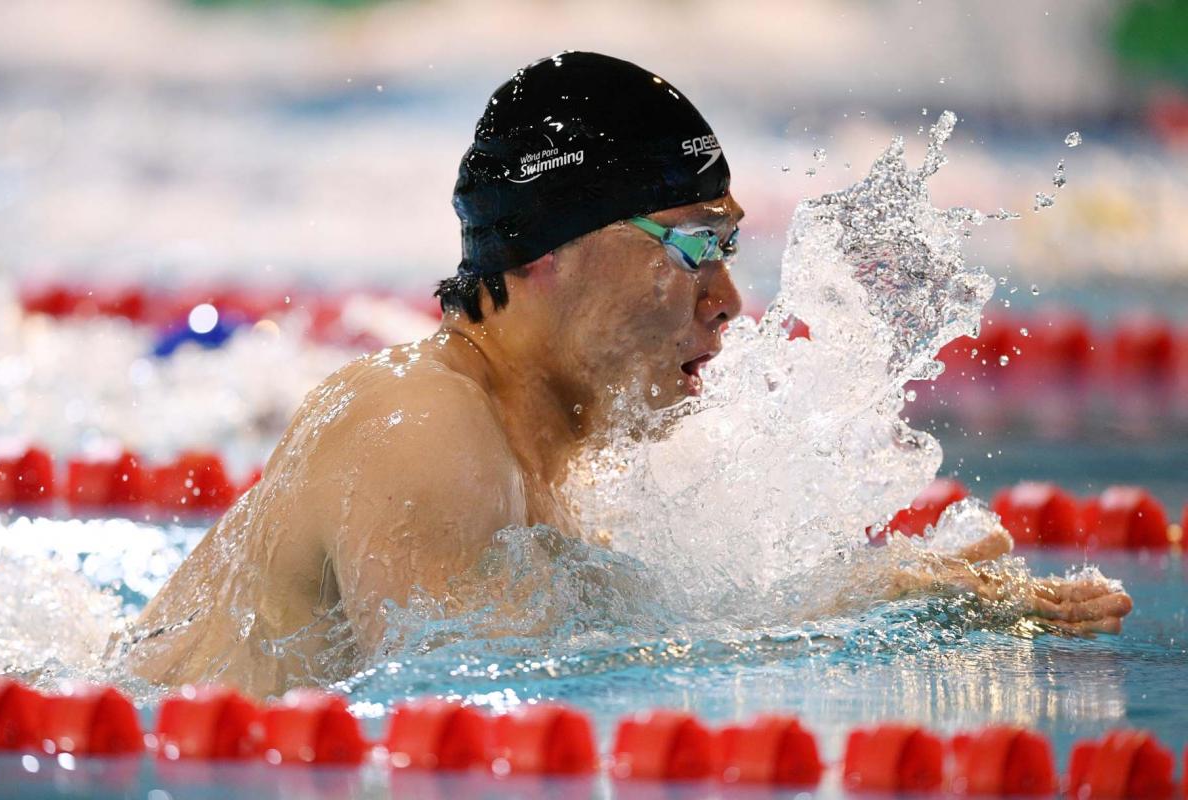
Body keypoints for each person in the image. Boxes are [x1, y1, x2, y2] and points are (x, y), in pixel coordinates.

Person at [120, 52, 1131, 696]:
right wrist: (838, 611)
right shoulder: (416, 425)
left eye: (730, 248)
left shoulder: (549, 464)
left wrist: (868, 591)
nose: (731, 300)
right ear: (541, 253)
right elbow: (457, 686)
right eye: (694, 246)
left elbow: (611, 623)